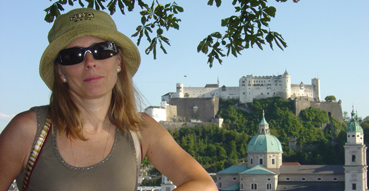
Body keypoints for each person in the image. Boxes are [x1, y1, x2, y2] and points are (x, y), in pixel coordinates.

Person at [0, 8, 218, 191]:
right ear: (61, 72)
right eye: (74, 55)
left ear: (118, 62)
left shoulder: (139, 130)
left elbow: (203, 185)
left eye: (101, 50)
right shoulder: (28, 131)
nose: (90, 62)